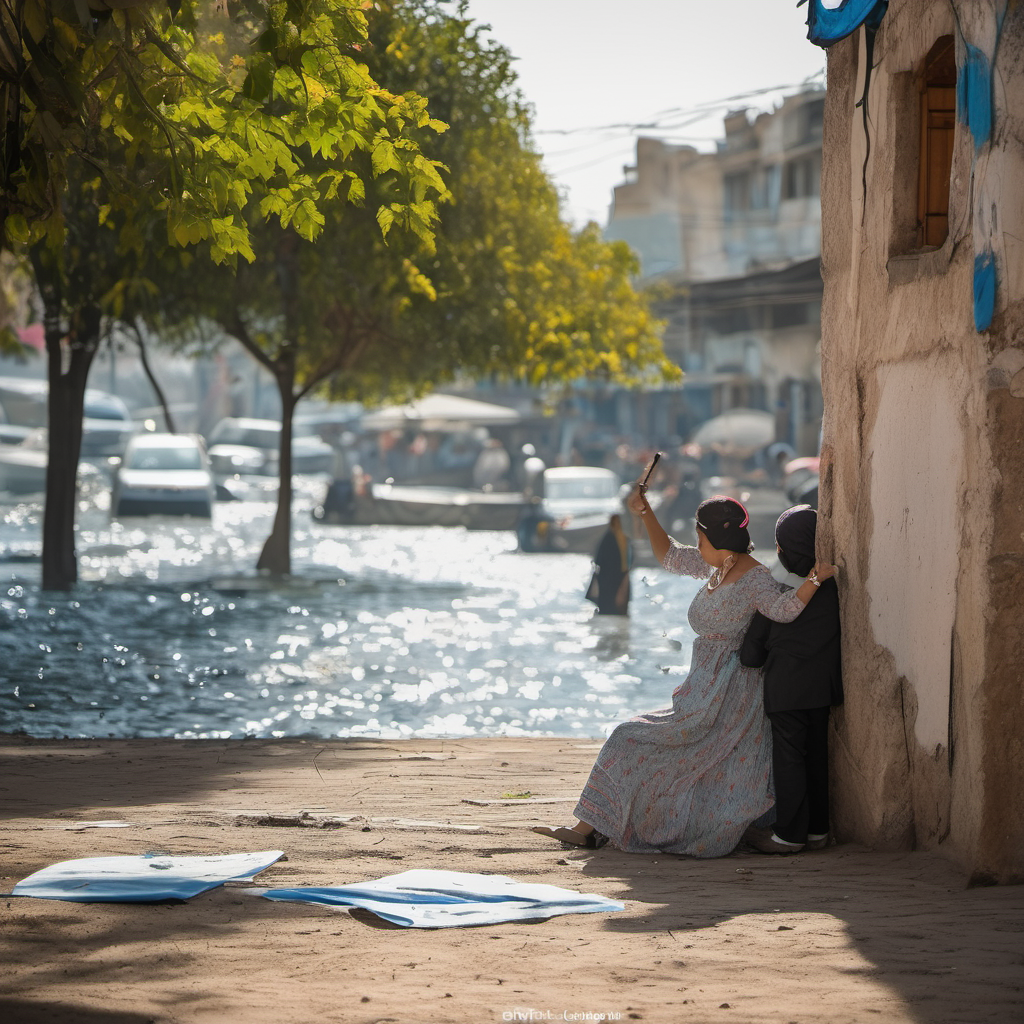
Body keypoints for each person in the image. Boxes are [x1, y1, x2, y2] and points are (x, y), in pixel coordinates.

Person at [532, 487, 836, 855]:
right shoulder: (717, 566)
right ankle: (590, 826)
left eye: (701, 537)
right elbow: (670, 556)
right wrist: (646, 513)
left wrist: (815, 580)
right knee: (632, 737)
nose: (697, 544)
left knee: (629, 736)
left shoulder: (755, 579)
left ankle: (592, 826)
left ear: (719, 539)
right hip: (700, 690)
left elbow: (784, 610)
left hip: (728, 697)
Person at [739, 505, 842, 854]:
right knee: (815, 756)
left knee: (789, 758)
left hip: (786, 687)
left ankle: (789, 835)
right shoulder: (829, 586)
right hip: (822, 686)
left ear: (785, 549)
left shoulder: (779, 590)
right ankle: (816, 831)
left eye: (780, 546)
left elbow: (751, 653)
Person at [586, 514, 632, 615]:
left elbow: (598, 559)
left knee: (610, 604)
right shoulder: (620, 538)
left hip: (611, 576)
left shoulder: (613, 538)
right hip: (617, 575)